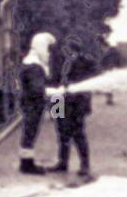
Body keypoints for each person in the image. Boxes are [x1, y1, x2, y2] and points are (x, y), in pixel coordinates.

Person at [17, 31, 59, 174]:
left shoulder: (31, 63)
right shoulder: (34, 66)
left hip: (32, 104)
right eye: (46, 48)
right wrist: (51, 93)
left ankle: (26, 163)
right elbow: (37, 89)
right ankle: (26, 165)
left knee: (29, 133)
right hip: (33, 105)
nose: (48, 52)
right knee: (30, 133)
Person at [51, 39, 93, 176]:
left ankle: (85, 165)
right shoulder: (63, 62)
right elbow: (56, 80)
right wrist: (54, 109)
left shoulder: (83, 63)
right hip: (59, 101)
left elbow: (82, 85)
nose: (66, 52)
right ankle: (62, 163)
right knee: (61, 134)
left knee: (78, 134)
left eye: (68, 50)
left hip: (76, 104)